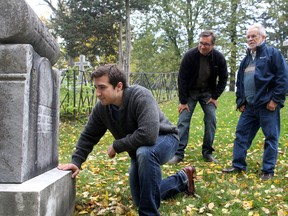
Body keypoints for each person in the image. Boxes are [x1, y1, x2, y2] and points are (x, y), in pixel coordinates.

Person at [58, 64, 197, 215]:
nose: (97, 93)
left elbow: (148, 135)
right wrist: (76, 161)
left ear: (118, 86)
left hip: (166, 139)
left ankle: (149, 213)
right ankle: (182, 179)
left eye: (102, 87)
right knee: (140, 199)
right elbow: (88, 136)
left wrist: (117, 146)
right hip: (139, 150)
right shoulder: (102, 108)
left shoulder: (140, 96)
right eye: (96, 87)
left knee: (146, 152)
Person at [222, 23, 288, 181]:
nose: (250, 39)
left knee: (271, 137)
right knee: (241, 135)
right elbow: (240, 82)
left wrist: (275, 100)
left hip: (267, 106)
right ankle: (238, 166)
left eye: (254, 36)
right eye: (248, 37)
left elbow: (283, 78)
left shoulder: (273, 54)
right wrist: (240, 101)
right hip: (250, 107)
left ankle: (268, 171)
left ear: (263, 37)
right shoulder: (246, 59)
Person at [169, 30, 228, 164]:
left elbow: (224, 78)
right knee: (183, 121)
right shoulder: (189, 56)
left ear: (213, 45)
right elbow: (182, 79)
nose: (202, 46)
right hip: (190, 93)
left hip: (208, 93)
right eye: (200, 43)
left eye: (206, 44)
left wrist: (215, 96)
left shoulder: (218, 57)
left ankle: (207, 152)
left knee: (211, 119)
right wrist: (183, 102)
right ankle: (178, 153)